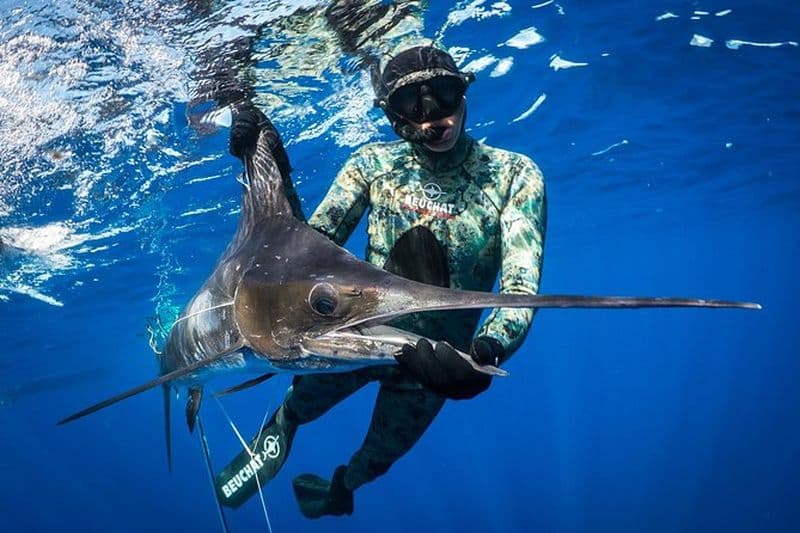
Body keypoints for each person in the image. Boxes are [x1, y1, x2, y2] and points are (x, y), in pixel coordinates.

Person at [215, 45, 547, 519]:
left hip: (438, 363)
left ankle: (341, 488)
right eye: (413, 104)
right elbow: (302, 254)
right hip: (355, 336)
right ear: (393, 116)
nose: (434, 117)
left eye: (445, 94)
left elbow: (520, 283)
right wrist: (268, 157)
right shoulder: (371, 166)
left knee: (378, 458)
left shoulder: (516, 176)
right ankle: (282, 427)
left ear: (465, 92)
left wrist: (488, 350)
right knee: (300, 407)